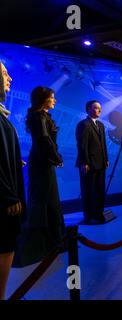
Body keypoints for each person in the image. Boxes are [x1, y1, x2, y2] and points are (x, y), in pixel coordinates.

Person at [13, 86, 65, 268]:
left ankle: (52, 242)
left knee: (49, 201)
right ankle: (42, 245)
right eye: (52, 97)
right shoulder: (39, 117)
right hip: (42, 164)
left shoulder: (41, 116)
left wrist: (54, 158)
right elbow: (44, 140)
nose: (54, 100)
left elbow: (46, 141)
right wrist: (57, 158)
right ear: (43, 99)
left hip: (43, 162)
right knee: (44, 201)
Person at [0, 62, 25, 300]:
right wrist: (7, 194)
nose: (10, 78)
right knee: (4, 246)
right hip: (3, 201)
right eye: (5, 73)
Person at [75, 100, 109, 225]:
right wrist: (84, 163)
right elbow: (82, 145)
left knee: (100, 191)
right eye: (96, 108)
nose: (99, 110)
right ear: (88, 109)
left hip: (100, 163)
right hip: (88, 164)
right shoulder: (83, 124)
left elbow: (103, 144)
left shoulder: (100, 124)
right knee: (88, 191)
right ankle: (89, 217)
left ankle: (99, 214)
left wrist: (106, 159)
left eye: (100, 108)